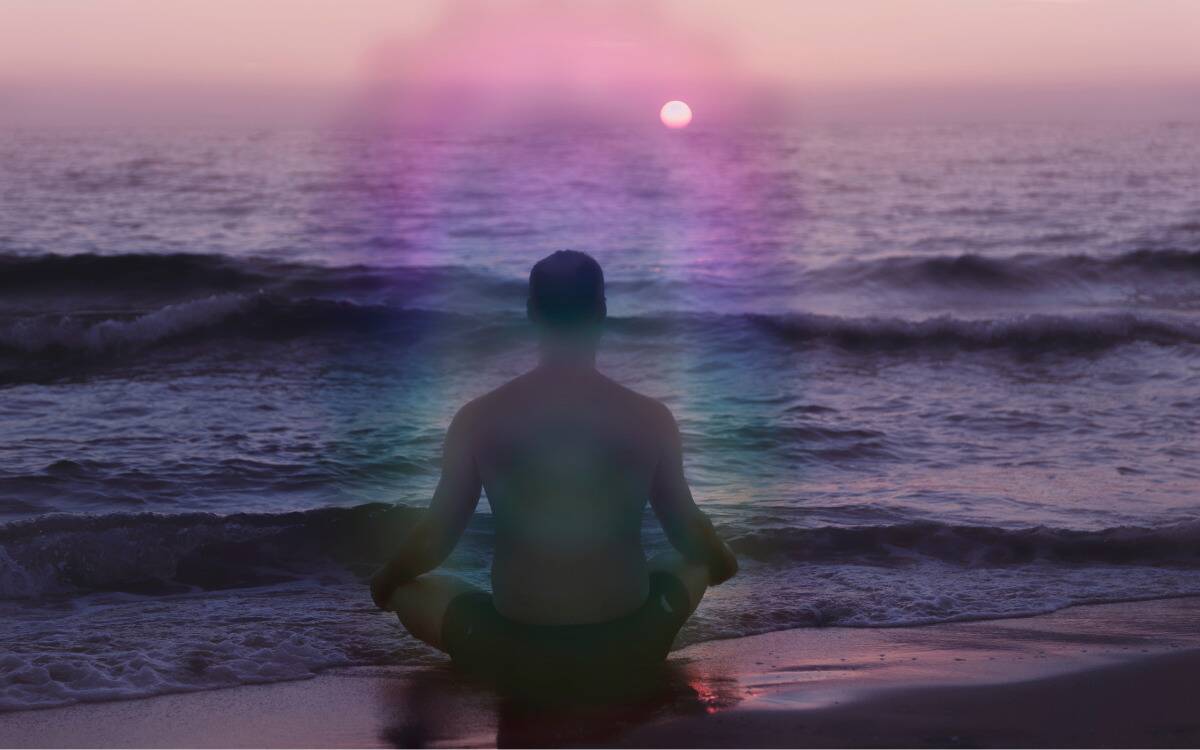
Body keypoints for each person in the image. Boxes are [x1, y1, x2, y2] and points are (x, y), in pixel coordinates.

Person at [370, 250, 737, 684]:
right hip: (632, 643)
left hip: (513, 649)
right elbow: (688, 531)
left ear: (531, 312)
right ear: (601, 313)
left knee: (409, 589)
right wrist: (722, 563)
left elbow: (437, 537)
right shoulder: (650, 417)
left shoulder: (478, 417)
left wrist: (385, 580)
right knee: (689, 560)